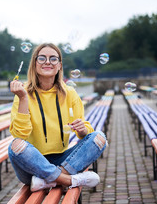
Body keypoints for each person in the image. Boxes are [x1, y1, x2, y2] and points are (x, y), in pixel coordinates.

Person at [8, 43, 107, 192]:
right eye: (42, 58)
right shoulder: (23, 93)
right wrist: (22, 98)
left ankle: (50, 180)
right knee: (14, 146)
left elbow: (84, 132)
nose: (47, 62)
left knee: (99, 138)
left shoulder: (70, 93)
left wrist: (82, 130)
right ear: (34, 64)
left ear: (60, 65)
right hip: (32, 165)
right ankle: (68, 180)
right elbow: (20, 135)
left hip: (63, 160)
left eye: (53, 58)